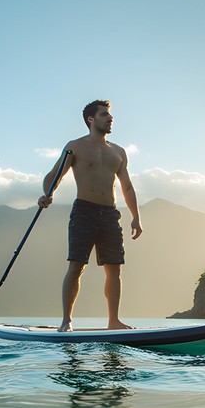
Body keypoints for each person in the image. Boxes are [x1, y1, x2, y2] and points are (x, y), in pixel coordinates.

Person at [38, 100, 143, 332]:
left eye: (110, 115)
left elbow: (127, 187)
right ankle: (66, 321)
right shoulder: (75, 147)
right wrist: (47, 194)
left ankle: (114, 321)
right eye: (105, 114)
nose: (110, 118)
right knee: (76, 266)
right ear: (91, 119)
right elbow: (53, 175)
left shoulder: (118, 152)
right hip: (84, 211)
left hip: (110, 215)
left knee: (114, 268)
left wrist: (136, 216)